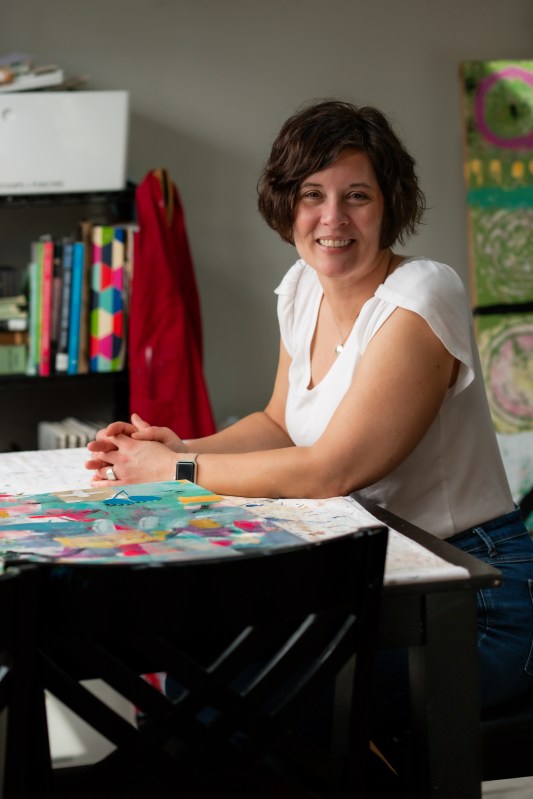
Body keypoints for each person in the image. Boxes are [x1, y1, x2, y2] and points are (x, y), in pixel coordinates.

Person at [86, 99, 533, 787]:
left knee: (239, 708)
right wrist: (178, 445)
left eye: (357, 196)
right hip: (375, 583)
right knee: (194, 674)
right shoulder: (302, 288)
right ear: (285, 205)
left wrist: (175, 469)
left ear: (390, 203)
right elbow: (278, 422)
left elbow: (332, 469)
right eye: (312, 195)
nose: (333, 218)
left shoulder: (422, 295)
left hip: (474, 600)